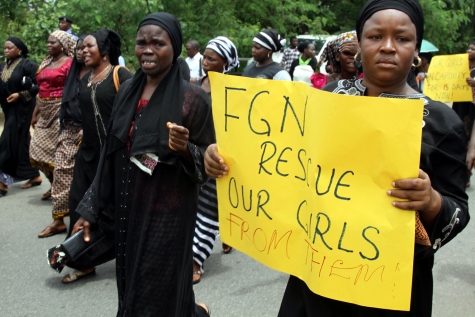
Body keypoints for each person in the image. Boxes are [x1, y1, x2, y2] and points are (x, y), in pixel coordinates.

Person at [204, 1, 469, 316]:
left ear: (416, 52)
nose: (387, 47)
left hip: (390, 286)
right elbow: (281, 166)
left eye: (402, 38)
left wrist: (431, 201)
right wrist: (224, 159)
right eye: (374, 37)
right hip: (317, 275)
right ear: (359, 45)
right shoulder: (325, 100)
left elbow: (458, 210)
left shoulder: (440, 121)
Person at [71, 12, 213, 316]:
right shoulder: (127, 93)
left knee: (155, 291)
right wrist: (90, 208)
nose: (147, 50)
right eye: (141, 43)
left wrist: (185, 148)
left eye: (157, 43)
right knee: (131, 283)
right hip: (128, 211)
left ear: (173, 47)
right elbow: (112, 150)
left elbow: (209, 165)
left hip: (168, 217)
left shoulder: (193, 100)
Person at [61, 29, 133, 283]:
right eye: (80, 47)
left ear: (104, 50)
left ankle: (127, 253)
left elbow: (139, 108)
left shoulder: (120, 75)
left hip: (114, 157)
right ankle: (80, 258)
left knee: (112, 212)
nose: (83, 50)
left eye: (89, 46)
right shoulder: (83, 80)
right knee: (78, 205)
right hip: (88, 155)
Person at [192, 36, 239, 284]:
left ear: (226, 62)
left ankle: (195, 260)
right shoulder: (198, 84)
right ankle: (228, 233)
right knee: (194, 205)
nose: (205, 61)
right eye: (205, 56)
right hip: (196, 152)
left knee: (209, 207)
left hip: (220, 156)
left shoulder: (232, 87)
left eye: (212, 58)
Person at [31, 31, 75, 236]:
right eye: (47, 41)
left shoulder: (71, 63)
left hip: (62, 110)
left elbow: (74, 89)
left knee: (61, 164)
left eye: (53, 42)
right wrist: (35, 113)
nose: (48, 45)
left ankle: (59, 220)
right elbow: (40, 90)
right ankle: (54, 184)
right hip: (44, 111)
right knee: (36, 154)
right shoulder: (45, 62)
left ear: (63, 43)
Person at [0, 38, 41, 196]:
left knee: (6, 141)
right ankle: (34, 175)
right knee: (22, 142)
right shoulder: (3, 66)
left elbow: (39, 85)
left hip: (23, 108)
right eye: (4, 48)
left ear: (20, 50)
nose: (6, 50)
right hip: (8, 108)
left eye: (10, 48)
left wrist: (20, 95)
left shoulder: (28, 65)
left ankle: (2, 181)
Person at [452, 41, 475, 187]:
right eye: (469, 48)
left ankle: (466, 174)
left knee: (469, 140)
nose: (469, 50)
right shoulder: (461, 67)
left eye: (473, 48)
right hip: (460, 105)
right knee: (458, 137)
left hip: (472, 107)